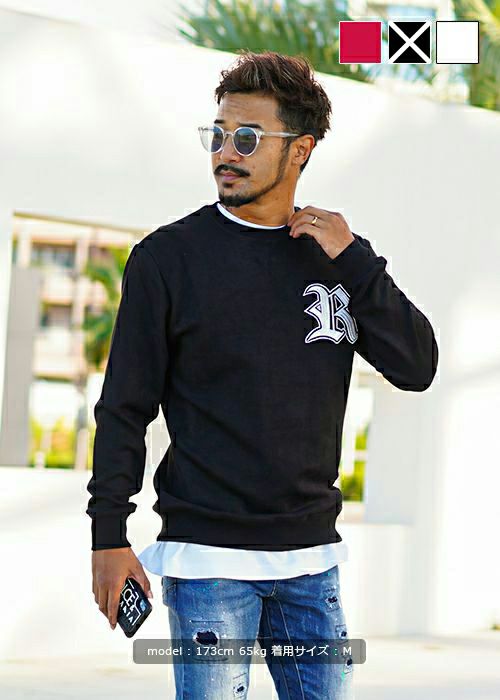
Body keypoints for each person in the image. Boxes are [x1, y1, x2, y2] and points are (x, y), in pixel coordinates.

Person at [86, 50, 438, 699]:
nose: (227, 152)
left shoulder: (336, 260)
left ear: (299, 150)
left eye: (247, 138)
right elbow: (124, 408)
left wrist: (357, 261)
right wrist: (108, 537)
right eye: (218, 135)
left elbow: (417, 367)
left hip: (313, 561)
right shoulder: (167, 259)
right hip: (209, 562)